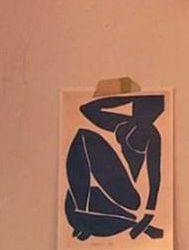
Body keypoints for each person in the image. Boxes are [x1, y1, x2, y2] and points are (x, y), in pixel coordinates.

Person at [64, 94, 164, 240]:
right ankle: (83, 211)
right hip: (115, 184)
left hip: (132, 198)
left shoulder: (152, 135)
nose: (140, 112)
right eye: (137, 105)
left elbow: (155, 178)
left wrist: (149, 215)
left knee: (85, 138)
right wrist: (127, 97)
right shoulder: (124, 123)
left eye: (148, 111)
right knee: (83, 137)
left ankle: (85, 216)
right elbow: (86, 109)